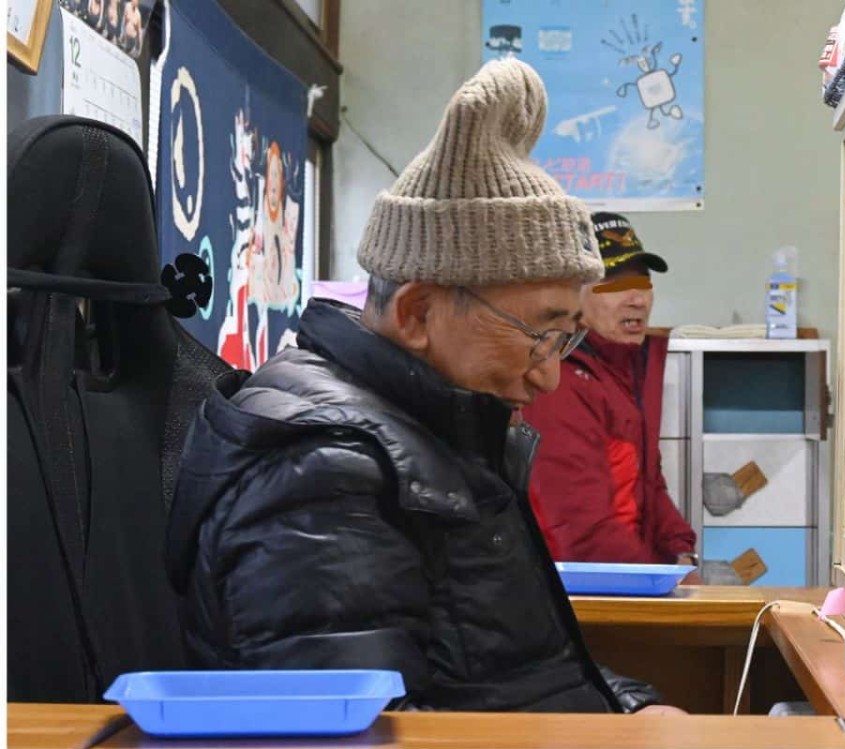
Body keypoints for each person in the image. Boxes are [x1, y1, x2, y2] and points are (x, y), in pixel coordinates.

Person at [165, 59, 683, 715]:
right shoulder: (323, 472)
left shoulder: (436, 432)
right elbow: (368, 733)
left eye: (569, 338)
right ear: (416, 313)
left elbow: (517, 672)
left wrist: (634, 711)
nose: (549, 373)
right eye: (540, 334)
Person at [522, 213, 700, 580]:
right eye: (612, 285)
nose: (636, 298)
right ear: (575, 298)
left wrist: (681, 550)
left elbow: (647, 481)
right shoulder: (558, 383)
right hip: (589, 594)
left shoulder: (624, 370)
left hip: (625, 579)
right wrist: (662, 589)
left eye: (642, 282)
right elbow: (582, 532)